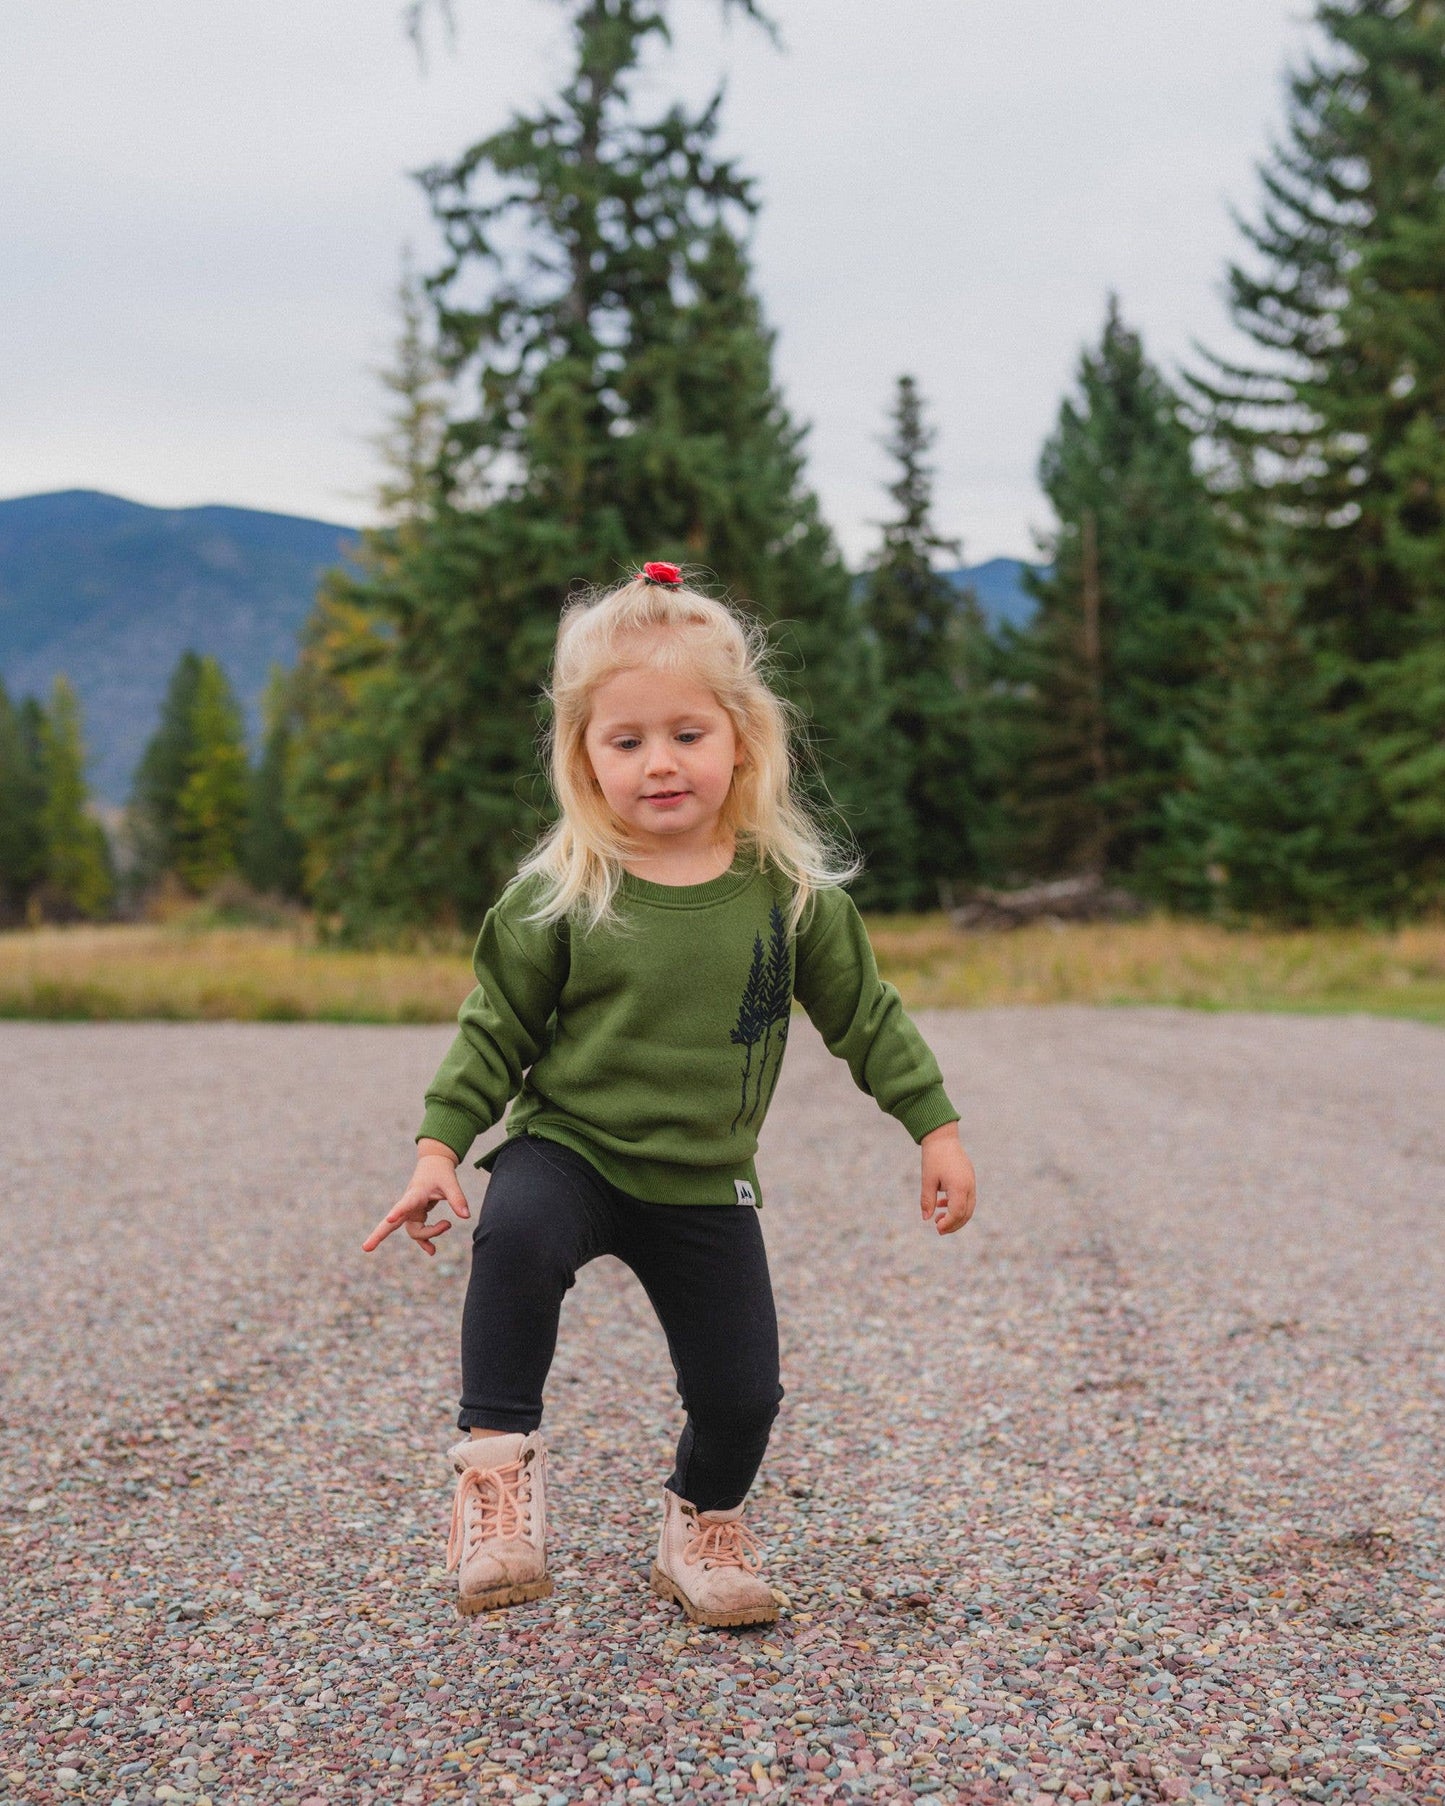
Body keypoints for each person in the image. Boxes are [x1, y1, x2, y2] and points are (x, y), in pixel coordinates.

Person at [362, 563, 977, 1627]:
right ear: (583, 756)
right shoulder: (562, 891)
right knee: (514, 1237)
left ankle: (701, 1527)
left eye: (686, 734)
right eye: (626, 740)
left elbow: (866, 1017)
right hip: (573, 1148)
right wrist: (436, 1150)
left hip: (702, 1179)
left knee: (743, 1392)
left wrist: (937, 1128)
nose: (658, 763)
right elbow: (493, 1029)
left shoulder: (788, 898)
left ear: (740, 739)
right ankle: (496, 1485)